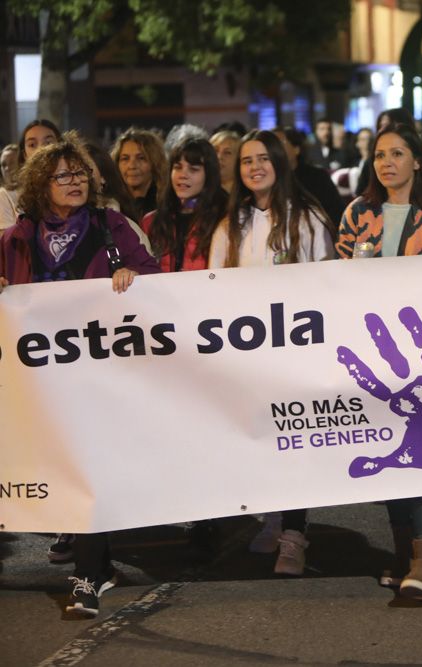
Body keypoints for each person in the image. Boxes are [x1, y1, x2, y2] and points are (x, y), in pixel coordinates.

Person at [0, 134, 159, 617]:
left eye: (81, 173)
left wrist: (131, 277)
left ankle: (88, 577)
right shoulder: (17, 239)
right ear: (39, 185)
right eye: (62, 175)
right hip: (42, 380)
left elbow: (154, 277)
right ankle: (102, 565)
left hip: (100, 372)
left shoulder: (112, 226)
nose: (75, 182)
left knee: (85, 466)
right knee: (70, 467)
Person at [336, 122, 422, 602]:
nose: (386, 162)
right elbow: (341, 278)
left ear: (417, 161)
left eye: (397, 153)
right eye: (379, 154)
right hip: (373, 349)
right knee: (390, 445)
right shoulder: (356, 213)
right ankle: (401, 552)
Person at [208, 130, 334, 575]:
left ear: (280, 163)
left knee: (293, 441)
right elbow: (214, 288)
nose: (254, 167)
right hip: (248, 356)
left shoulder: (309, 219)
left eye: (263, 159)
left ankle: (295, 535)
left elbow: (327, 284)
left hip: (296, 354)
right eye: (245, 161)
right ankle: (274, 517)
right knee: (260, 439)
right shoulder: (231, 225)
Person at [142, 138, 227, 272]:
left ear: (209, 175)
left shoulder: (224, 219)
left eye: (193, 169)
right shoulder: (151, 222)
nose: (183, 175)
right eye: (177, 167)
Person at [274, 126, 346, 234]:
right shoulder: (268, 182)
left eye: (279, 144)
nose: (273, 151)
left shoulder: (317, 178)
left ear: (296, 149)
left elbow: (336, 214)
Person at [1, 120, 61, 230]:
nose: (41, 149)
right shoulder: (7, 196)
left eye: (48, 143)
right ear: (24, 155)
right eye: (32, 145)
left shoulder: (73, 187)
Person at [111, 128, 169, 216]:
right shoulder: (110, 206)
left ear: (155, 162)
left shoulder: (167, 204)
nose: (132, 166)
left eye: (141, 158)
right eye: (125, 159)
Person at [209, 130, 241, 194]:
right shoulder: (198, 195)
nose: (219, 157)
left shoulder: (247, 198)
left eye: (227, 152)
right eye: (216, 150)